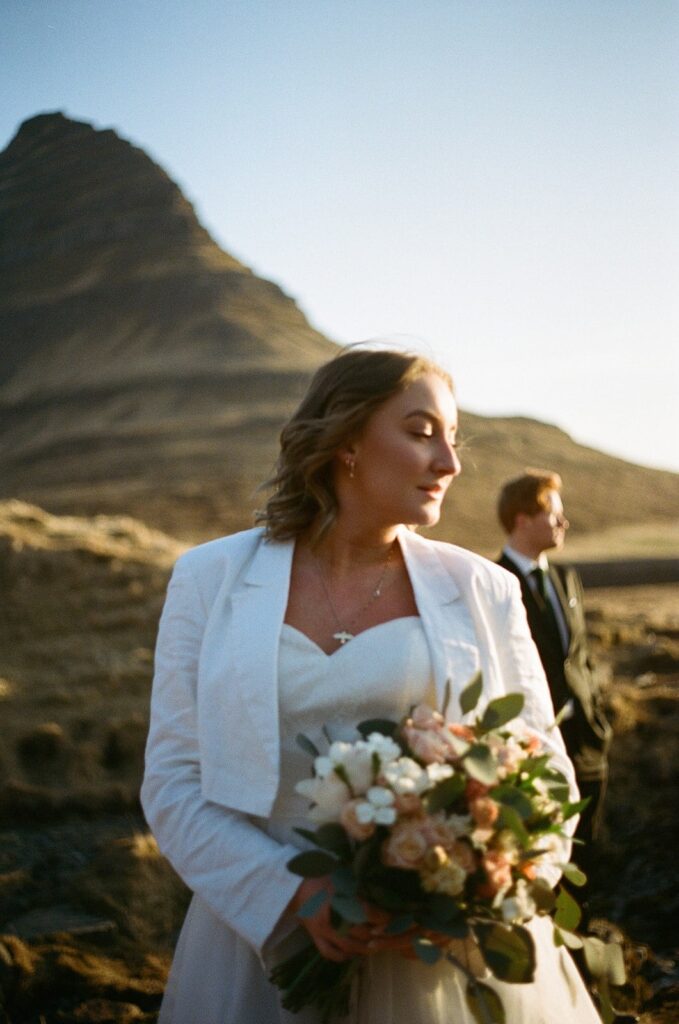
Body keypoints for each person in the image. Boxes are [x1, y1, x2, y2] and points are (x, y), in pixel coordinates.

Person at [141, 348, 601, 1023]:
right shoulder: (209, 581)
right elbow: (174, 781)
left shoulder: (482, 591)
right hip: (260, 945)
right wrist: (293, 895)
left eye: (452, 438)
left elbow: (547, 779)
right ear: (345, 441)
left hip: (435, 950)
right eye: (421, 433)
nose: (450, 462)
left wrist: (482, 884)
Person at [496, 469, 611, 874]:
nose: (564, 523)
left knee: (589, 856)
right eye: (553, 514)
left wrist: (598, 717)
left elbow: (581, 657)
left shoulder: (567, 579)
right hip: (533, 749)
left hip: (588, 744)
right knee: (540, 859)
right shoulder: (493, 584)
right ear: (522, 519)